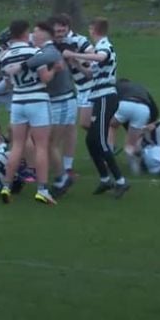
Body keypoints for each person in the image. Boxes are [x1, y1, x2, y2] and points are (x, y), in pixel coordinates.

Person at [4, 21, 74, 198]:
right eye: (31, 32)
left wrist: (21, 66)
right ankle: (54, 180)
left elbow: (46, 61)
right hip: (42, 100)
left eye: (37, 32)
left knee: (46, 143)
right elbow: (43, 73)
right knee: (43, 144)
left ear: (45, 35)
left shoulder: (48, 50)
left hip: (60, 100)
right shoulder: (37, 51)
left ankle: (61, 177)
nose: (33, 35)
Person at [62, 18, 129, 198]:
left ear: (94, 29)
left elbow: (102, 57)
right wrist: (75, 64)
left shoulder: (105, 45)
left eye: (90, 29)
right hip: (98, 97)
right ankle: (105, 179)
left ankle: (121, 181)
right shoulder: (100, 46)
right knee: (91, 141)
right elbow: (91, 74)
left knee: (99, 140)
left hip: (106, 96)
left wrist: (76, 55)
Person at [0, 20, 56, 205]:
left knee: (17, 146)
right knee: (40, 146)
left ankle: (6, 185)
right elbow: (45, 78)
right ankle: (43, 190)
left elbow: (7, 82)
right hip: (37, 99)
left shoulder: (4, 56)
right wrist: (55, 69)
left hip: (18, 101)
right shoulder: (34, 52)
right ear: (25, 33)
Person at [50, 14, 93, 177]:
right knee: (70, 126)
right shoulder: (50, 43)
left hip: (88, 87)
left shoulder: (78, 41)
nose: (60, 33)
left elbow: (91, 59)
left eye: (63, 29)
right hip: (72, 90)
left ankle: (66, 167)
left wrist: (75, 58)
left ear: (68, 28)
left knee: (73, 126)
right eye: (57, 30)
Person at [110, 78, 159, 173]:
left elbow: (110, 105)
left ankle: (109, 150)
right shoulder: (140, 87)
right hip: (144, 109)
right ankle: (131, 154)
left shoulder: (116, 87)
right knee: (131, 143)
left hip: (125, 104)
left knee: (111, 126)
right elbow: (154, 109)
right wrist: (149, 123)